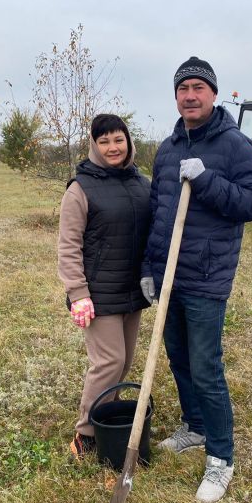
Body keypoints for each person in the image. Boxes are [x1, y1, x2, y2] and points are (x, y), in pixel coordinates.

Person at [141, 57, 252, 503]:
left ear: (214, 94)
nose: (190, 95)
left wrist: (208, 178)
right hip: (168, 274)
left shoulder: (233, 145)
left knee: (207, 367)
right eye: (183, 89)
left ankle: (221, 458)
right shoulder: (166, 148)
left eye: (198, 87)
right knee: (178, 357)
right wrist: (146, 268)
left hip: (207, 276)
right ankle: (194, 426)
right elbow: (157, 214)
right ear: (175, 97)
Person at [58, 114, 152, 460]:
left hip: (133, 290)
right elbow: (68, 245)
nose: (113, 147)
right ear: (94, 146)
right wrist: (77, 292)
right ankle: (86, 433)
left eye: (118, 139)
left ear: (128, 142)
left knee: (123, 362)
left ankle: (107, 419)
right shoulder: (80, 188)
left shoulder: (141, 182)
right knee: (109, 362)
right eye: (104, 141)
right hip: (97, 295)